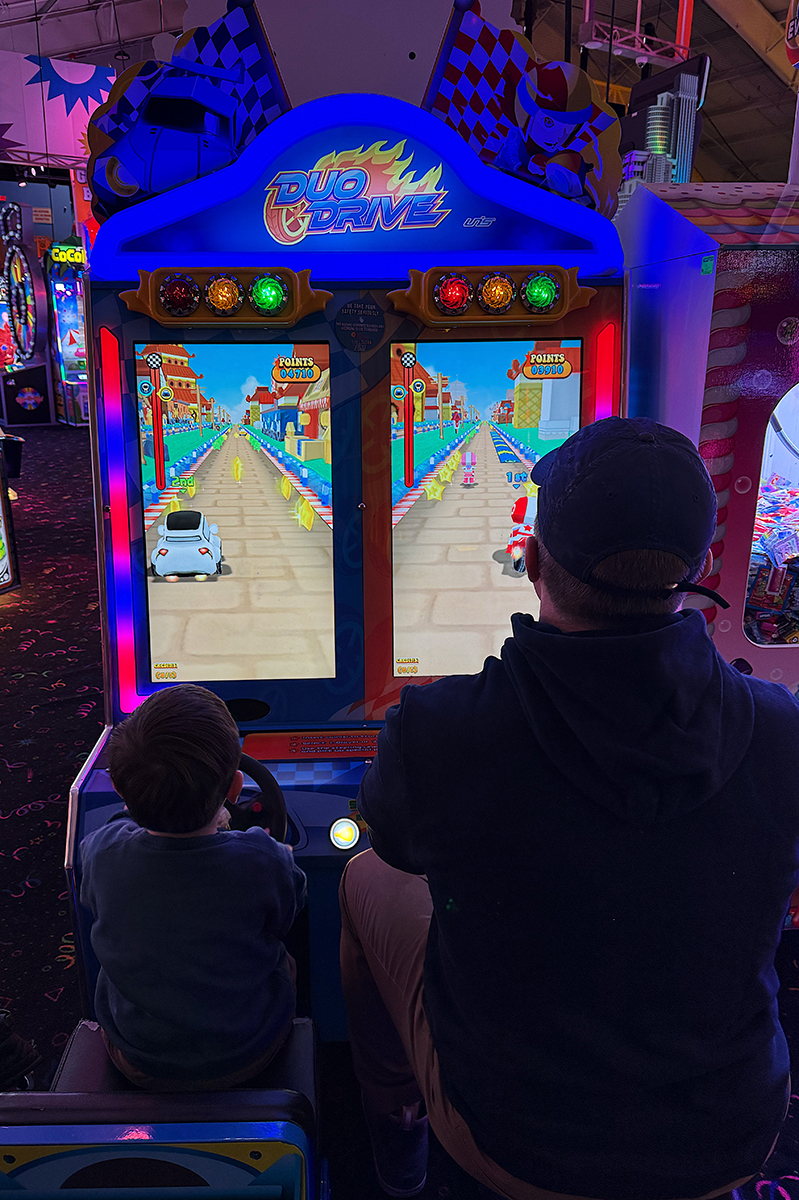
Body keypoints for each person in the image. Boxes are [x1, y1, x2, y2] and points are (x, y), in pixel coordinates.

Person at [340, 417, 799, 1200]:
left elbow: (398, 843)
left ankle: (398, 1124)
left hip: (518, 1139)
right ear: (703, 565)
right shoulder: (782, 728)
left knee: (361, 874)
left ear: (531, 560)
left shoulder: (439, 730)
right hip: (723, 1131)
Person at [80, 684, 306, 1091]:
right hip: (245, 1055)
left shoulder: (100, 852)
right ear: (235, 789)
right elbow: (289, 911)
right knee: (287, 962)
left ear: (118, 788)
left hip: (138, 1055)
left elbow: (111, 847)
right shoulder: (264, 858)